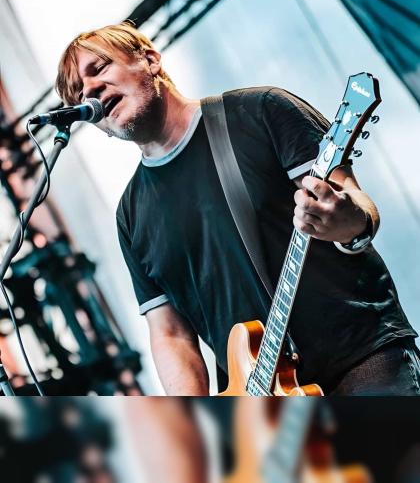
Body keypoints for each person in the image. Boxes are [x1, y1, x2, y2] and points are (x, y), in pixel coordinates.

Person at [55, 21, 419, 396]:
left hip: (360, 357)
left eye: (99, 68)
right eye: (78, 94)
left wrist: (348, 223)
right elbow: (170, 334)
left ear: (150, 59)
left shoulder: (259, 111)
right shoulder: (131, 215)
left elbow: (355, 200)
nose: (90, 90)